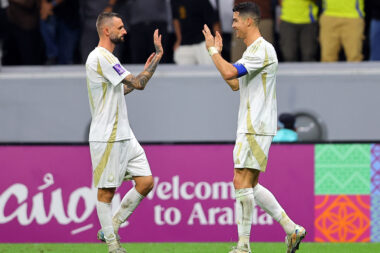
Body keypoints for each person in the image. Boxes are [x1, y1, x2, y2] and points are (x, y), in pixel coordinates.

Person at [202, 2, 305, 253]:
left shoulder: (262, 49)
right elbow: (236, 84)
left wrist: (213, 52)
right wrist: (220, 59)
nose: (233, 25)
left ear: (249, 22)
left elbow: (229, 73)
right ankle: (292, 229)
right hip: (254, 124)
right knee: (251, 185)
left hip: (254, 124)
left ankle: (244, 246)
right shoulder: (252, 52)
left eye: (236, 20)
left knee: (240, 182)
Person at [85, 12, 163, 253]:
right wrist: (158, 56)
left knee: (146, 182)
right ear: (106, 31)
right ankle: (112, 245)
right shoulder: (100, 57)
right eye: (120, 27)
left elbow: (128, 88)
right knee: (106, 192)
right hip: (107, 135)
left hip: (124, 134)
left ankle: (113, 225)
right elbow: (138, 84)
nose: (125, 31)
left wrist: (153, 63)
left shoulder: (108, 59)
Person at [171, 0, 220, 65]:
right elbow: (175, 19)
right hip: (185, 43)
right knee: (181, 71)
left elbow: (215, 22)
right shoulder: (175, 1)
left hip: (204, 42)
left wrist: (217, 42)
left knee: (211, 68)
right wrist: (179, 38)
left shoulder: (203, 1)